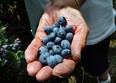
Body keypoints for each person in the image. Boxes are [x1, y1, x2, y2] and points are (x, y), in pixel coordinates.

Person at [24, 0, 116, 83]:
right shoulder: (53, 36)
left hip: (95, 18)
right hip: (44, 14)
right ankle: (62, 70)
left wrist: (71, 2)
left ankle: (103, 77)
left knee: (96, 63)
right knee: (64, 62)